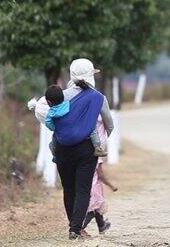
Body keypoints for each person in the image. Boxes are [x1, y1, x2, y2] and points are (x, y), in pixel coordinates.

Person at [30, 59, 114, 240]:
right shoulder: (98, 98)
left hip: (62, 149)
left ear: (71, 75)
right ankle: (76, 229)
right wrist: (98, 140)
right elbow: (109, 125)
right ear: (91, 75)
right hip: (86, 150)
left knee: (69, 189)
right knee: (83, 190)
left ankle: (74, 226)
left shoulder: (61, 95)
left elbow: (42, 111)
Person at [43, 85, 107, 160]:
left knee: (55, 136)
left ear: (48, 102)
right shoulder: (69, 104)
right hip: (78, 133)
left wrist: (55, 128)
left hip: (62, 136)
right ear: (63, 98)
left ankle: (54, 152)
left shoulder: (50, 113)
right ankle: (97, 147)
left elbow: (48, 123)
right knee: (91, 128)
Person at [81, 116, 118, 235]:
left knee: (97, 209)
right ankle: (80, 227)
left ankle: (102, 226)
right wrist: (112, 186)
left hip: (88, 186)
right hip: (94, 188)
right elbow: (100, 175)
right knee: (92, 210)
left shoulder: (85, 156)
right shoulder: (96, 157)